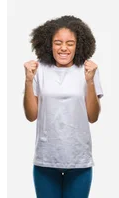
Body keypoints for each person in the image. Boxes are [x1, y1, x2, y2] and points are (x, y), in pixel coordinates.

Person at [23, 15, 101, 198]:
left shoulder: (88, 70)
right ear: (49, 44)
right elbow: (31, 115)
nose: (63, 48)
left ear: (79, 45)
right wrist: (28, 80)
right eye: (58, 42)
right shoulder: (38, 69)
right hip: (46, 160)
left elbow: (93, 116)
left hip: (79, 161)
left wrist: (90, 82)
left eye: (70, 43)